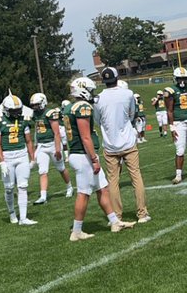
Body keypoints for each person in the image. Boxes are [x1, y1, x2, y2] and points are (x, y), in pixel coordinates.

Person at [62, 77, 135, 240]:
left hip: (79, 153)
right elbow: (85, 136)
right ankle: (77, 231)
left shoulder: (69, 107)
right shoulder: (82, 107)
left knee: (102, 188)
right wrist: (94, 159)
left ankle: (115, 222)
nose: (92, 93)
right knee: (83, 193)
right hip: (83, 155)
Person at [94, 66, 151, 222]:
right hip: (128, 142)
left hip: (110, 144)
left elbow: (97, 120)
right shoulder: (128, 94)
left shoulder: (98, 99)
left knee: (113, 181)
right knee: (136, 176)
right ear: (117, 78)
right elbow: (132, 114)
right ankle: (142, 213)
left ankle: (117, 216)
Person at [0, 94, 37, 226]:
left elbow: (29, 141)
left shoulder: (24, 120)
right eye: (14, 111)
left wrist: (32, 158)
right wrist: (2, 162)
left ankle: (23, 218)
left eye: (18, 110)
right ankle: (12, 213)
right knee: (9, 188)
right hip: (8, 156)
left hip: (21, 155)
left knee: (23, 186)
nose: (17, 113)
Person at [30, 92, 73, 205]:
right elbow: (37, 130)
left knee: (61, 168)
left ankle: (69, 187)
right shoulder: (35, 114)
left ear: (43, 102)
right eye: (33, 105)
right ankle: (43, 196)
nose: (35, 107)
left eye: (37, 104)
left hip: (52, 144)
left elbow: (56, 133)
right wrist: (36, 145)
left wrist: (58, 149)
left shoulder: (50, 113)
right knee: (42, 171)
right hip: (42, 146)